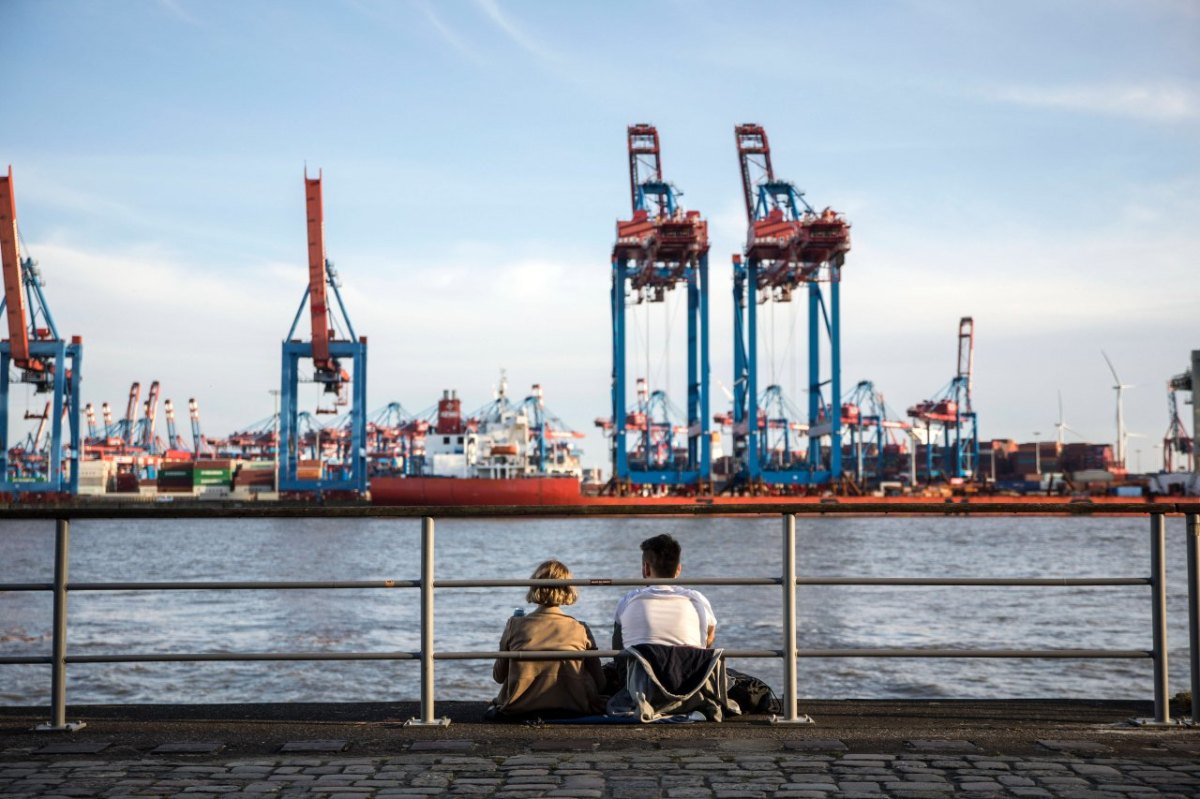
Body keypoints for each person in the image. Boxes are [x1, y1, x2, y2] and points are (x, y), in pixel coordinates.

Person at [487, 559, 607, 720]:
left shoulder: (514, 625)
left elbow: (498, 676)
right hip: (574, 707)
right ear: (568, 590)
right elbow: (600, 683)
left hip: (519, 708)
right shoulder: (580, 628)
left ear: (534, 586)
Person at [612, 533, 716, 650]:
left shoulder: (628, 600)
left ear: (646, 568)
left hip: (642, 667)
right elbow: (709, 637)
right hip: (689, 667)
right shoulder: (697, 599)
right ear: (678, 569)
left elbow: (617, 648)